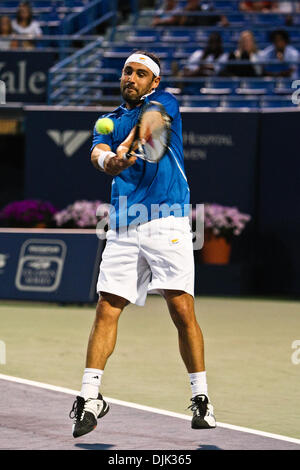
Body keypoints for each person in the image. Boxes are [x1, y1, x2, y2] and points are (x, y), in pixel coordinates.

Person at [69, 50, 216, 438]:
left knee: (181, 308)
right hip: (123, 224)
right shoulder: (108, 120)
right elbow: (97, 150)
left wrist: (131, 142)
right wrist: (110, 163)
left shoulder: (165, 102)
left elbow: (152, 123)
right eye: (126, 71)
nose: (130, 77)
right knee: (106, 307)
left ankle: (201, 398)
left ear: (154, 82)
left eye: (140, 73)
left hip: (167, 218)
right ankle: (89, 398)